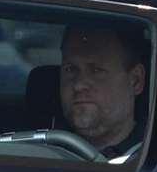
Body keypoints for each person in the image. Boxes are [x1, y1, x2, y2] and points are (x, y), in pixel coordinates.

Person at [57, 23, 147, 159]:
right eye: (71, 69)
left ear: (135, 81)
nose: (79, 85)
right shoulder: (33, 153)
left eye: (96, 71)